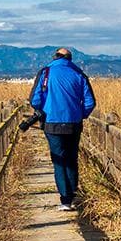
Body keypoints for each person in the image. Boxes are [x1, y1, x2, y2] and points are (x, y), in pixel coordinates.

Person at [29, 47, 96, 211]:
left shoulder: (46, 72)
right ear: (69, 58)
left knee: (59, 160)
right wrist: (80, 114)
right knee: (72, 159)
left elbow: (34, 100)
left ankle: (65, 200)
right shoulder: (79, 74)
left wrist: (43, 110)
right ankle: (73, 194)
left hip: (52, 123)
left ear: (55, 57)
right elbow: (90, 102)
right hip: (74, 123)